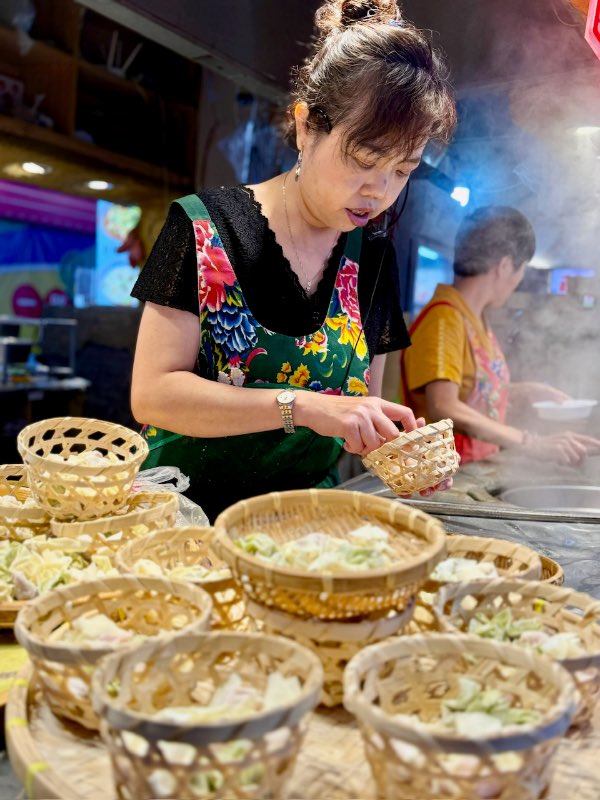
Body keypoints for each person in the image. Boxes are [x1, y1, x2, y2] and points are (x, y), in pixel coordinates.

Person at [130, 0, 457, 520]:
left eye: (403, 169)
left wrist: (393, 446)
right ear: (307, 127)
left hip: (303, 530)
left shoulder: (372, 259)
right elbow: (153, 394)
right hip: (180, 525)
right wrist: (300, 405)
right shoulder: (203, 226)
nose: (380, 190)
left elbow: (357, 419)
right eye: (365, 159)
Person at [400, 206, 600, 465]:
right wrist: (531, 441)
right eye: (522, 270)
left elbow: (469, 391)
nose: (519, 280)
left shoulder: (473, 318)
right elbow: (444, 405)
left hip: (469, 472)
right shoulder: (444, 319)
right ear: (505, 266)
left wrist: (522, 391)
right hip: (440, 475)